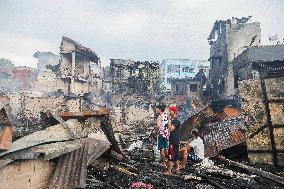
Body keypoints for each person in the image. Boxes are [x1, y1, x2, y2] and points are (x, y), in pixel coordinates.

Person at [166, 106, 181, 175]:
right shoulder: (174, 120)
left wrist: (169, 120)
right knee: (176, 155)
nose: (169, 112)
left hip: (173, 141)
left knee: (170, 156)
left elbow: (171, 129)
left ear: (174, 112)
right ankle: (177, 169)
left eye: (170, 111)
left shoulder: (176, 121)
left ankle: (169, 171)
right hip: (175, 140)